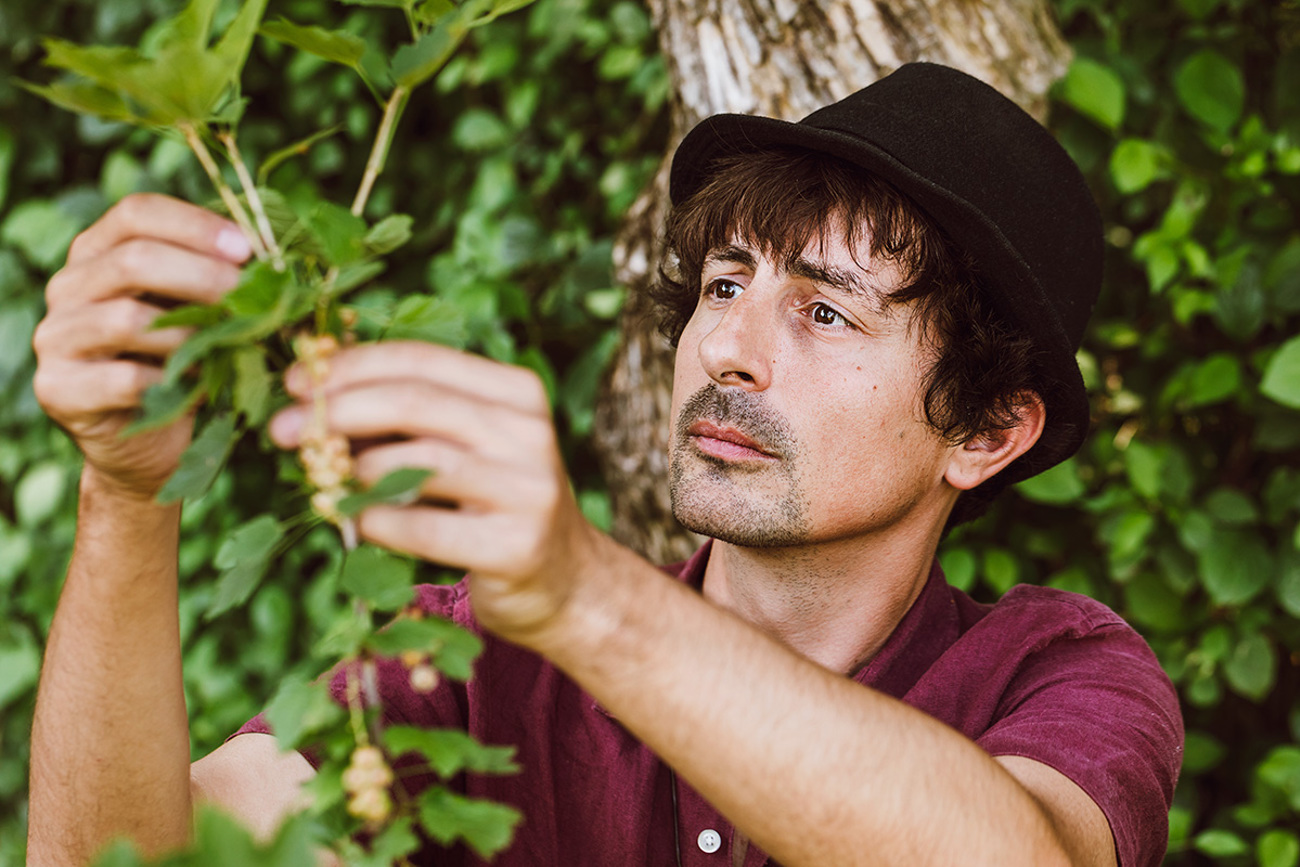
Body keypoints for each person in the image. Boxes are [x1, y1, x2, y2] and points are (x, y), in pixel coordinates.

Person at [26, 63, 1182, 867]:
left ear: (985, 431)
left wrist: (587, 597)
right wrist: (126, 497)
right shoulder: (474, 664)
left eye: (825, 313)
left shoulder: (1059, 674)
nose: (725, 349)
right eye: (725, 285)